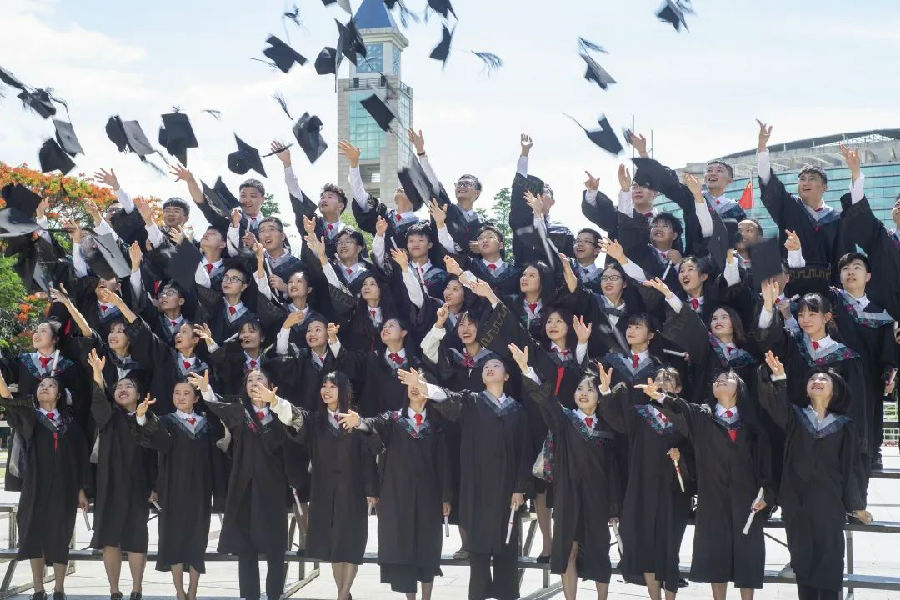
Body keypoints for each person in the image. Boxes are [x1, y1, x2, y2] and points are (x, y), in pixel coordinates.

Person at [398, 361, 532, 600]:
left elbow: (524, 453)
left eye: (496, 365)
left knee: (507, 548)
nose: (490, 368)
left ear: (506, 376)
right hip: (477, 488)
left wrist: (520, 488)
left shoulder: (517, 411)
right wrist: (423, 386)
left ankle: (507, 594)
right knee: (478, 552)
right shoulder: (472, 403)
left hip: (506, 491)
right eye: (486, 367)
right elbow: (448, 398)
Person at [647, 371, 773, 599]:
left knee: (748, 555)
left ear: (739, 388)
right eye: (717, 379)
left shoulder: (752, 422)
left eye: (728, 378)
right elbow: (682, 408)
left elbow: (765, 461)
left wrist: (767, 493)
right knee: (716, 555)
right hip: (712, 496)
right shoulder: (702, 416)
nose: (720, 380)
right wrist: (660, 396)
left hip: (746, 498)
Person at [760, 352, 873, 600]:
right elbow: (774, 404)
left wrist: (856, 505)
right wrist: (779, 378)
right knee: (803, 562)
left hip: (829, 502)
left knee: (830, 561)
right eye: (813, 379)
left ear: (835, 390)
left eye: (824, 379)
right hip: (796, 502)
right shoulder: (795, 417)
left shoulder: (845, 425)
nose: (817, 381)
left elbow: (851, 468)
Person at [510, 344, 616, 600]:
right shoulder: (565, 420)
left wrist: (614, 507)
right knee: (568, 549)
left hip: (597, 498)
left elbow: (614, 469)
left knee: (600, 552)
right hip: (568, 496)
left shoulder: (608, 425)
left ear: (599, 395)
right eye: (579, 389)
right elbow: (545, 400)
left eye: (590, 389)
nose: (583, 393)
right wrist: (526, 370)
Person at [342, 371, 451, 600]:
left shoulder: (437, 425)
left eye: (420, 382)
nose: (414, 387)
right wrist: (359, 422)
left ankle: (426, 598)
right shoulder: (393, 420)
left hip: (429, 496)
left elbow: (444, 463)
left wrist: (446, 496)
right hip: (398, 494)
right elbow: (372, 425)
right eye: (411, 383)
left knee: (428, 546)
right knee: (404, 548)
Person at [198, 368, 304, 600]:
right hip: (244, 486)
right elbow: (217, 406)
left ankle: (274, 595)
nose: (254, 383)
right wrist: (206, 390)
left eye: (259, 379)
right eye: (250, 380)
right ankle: (250, 596)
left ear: (271, 385)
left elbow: (297, 422)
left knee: (275, 548)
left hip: (273, 487)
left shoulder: (280, 412)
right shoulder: (239, 411)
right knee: (246, 549)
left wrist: (274, 402)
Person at [596, 364, 692, 599]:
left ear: (678, 388)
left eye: (668, 379)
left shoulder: (687, 415)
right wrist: (606, 392)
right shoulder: (639, 414)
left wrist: (681, 458)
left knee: (670, 549)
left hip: (674, 492)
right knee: (647, 548)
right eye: (658, 378)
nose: (662, 382)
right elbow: (615, 421)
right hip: (643, 488)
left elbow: (697, 447)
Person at [132, 379, 227, 600]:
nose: (181, 397)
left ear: (196, 398)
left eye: (186, 393)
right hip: (172, 489)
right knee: (173, 538)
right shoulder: (165, 421)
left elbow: (216, 456)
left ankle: (193, 590)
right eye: (177, 393)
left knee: (197, 539)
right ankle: (179, 591)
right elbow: (150, 439)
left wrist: (218, 491)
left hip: (200, 490)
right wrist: (141, 416)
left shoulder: (207, 423)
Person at [0, 372, 89, 600]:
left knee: (60, 536)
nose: (45, 387)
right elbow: (9, 400)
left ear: (59, 395)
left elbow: (80, 459)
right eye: (41, 385)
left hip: (64, 487)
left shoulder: (71, 424)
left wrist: (81, 490)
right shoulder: (30, 417)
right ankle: (38, 589)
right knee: (34, 534)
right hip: (35, 486)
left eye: (51, 385)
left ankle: (59, 589)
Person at [294, 372, 379, 600]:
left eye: (332, 386)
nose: (327, 391)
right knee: (334, 547)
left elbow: (369, 457)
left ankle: (342, 596)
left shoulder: (355, 420)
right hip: (324, 491)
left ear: (344, 391)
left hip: (353, 491)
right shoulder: (315, 421)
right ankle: (344, 594)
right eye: (324, 386)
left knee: (350, 544)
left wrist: (371, 490)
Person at [86, 350, 157, 600]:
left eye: (128, 386)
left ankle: (137, 589)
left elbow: (156, 456)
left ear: (139, 394)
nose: (122, 389)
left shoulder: (148, 419)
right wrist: (98, 373)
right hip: (109, 487)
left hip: (138, 486)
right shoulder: (108, 416)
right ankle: (114, 590)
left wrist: (155, 486)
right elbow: (99, 397)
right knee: (110, 539)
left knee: (137, 538)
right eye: (118, 387)